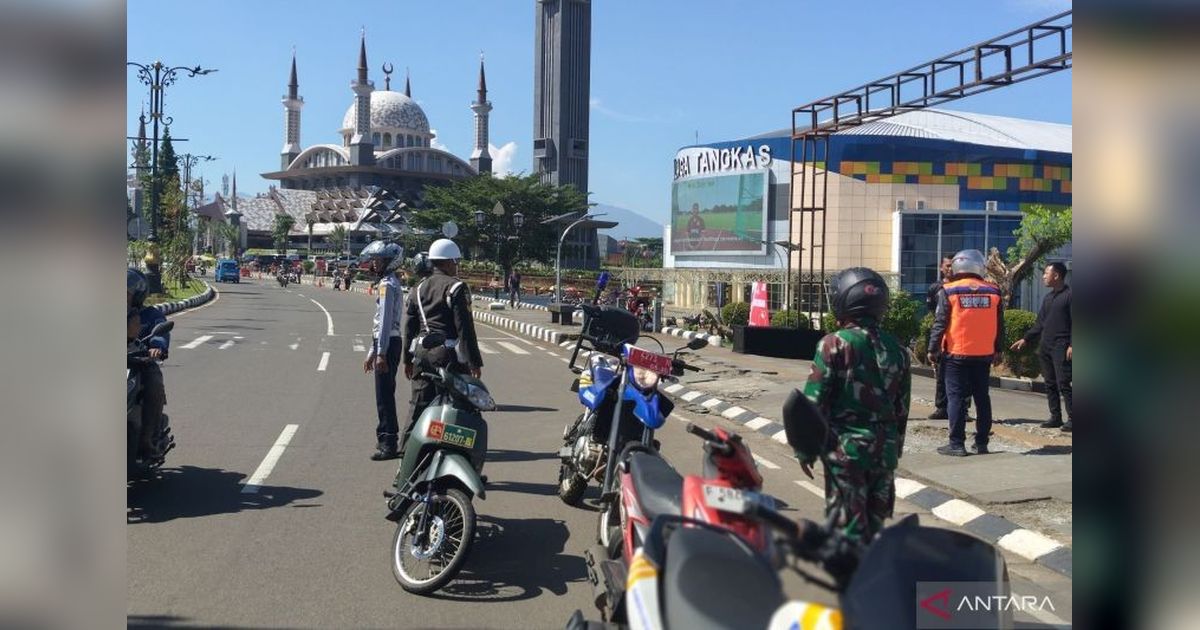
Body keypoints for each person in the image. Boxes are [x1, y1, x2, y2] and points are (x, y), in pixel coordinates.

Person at [797, 267, 911, 545]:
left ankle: (854, 584)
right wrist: (894, 448)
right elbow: (902, 409)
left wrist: (805, 450)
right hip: (884, 453)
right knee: (874, 531)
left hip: (846, 453)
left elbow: (813, 403)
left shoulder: (833, 344)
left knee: (848, 535)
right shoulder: (898, 348)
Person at [400, 239, 484, 458]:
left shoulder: (417, 288)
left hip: (421, 354)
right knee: (461, 408)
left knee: (419, 404)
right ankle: (462, 458)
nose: (457, 265)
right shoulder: (456, 287)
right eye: (455, 261)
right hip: (448, 357)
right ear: (447, 262)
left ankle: (406, 453)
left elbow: (409, 328)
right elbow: (465, 328)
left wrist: (407, 361)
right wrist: (474, 362)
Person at [928, 249, 1004, 457]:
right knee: (982, 397)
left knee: (956, 398)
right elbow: (1000, 325)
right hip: (984, 354)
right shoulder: (994, 291)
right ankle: (981, 443)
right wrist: (998, 349)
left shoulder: (949, 290)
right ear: (979, 266)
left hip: (956, 353)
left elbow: (940, 322)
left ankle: (956, 444)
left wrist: (933, 348)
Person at [1011, 262, 1072, 431]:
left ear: (1057, 275)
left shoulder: (1070, 295)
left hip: (1062, 345)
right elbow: (1040, 324)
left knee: (1064, 382)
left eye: (1046, 273)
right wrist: (1026, 339)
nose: (1044, 276)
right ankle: (1055, 417)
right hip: (1045, 345)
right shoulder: (1048, 298)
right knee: (1050, 382)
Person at [360, 240, 405, 460]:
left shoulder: (387, 284)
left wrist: (381, 353)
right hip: (387, 342)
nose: (374, 264)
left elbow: (385, 320)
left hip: (388, 343)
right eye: (374, 260)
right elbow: (380, 323)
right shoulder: (391, 282)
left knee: (384, 396)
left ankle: (389, 442)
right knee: (385, 394)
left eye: (378, 260)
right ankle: (386, 438)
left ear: (389, 261)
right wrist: (372, 351)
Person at [127, 268, 170, 458]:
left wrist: (157, 347)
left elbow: (160, 332)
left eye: (126, 294)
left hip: (141, 362)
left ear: (137, 296)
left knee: (154, 384)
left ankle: (147, 437)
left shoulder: (150, 315)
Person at [925, 255, 970, 419]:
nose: (950, 269)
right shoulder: (935, 288)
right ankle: (942, 408)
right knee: (941, 375)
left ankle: (963, 409)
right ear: (941, 267)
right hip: (942, 337)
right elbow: (932, 312)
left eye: (953, 265)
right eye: (947, 265)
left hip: (960, 339)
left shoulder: (964, 287)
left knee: (964, 378)